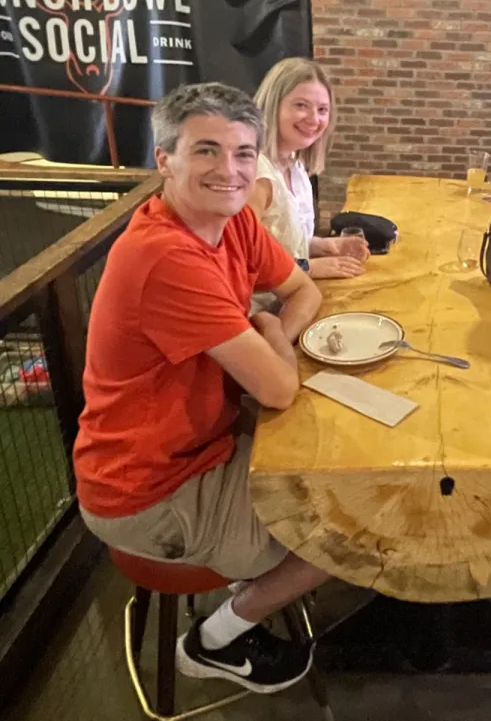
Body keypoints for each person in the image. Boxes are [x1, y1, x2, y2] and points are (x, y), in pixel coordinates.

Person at [73, 82, 331, 694]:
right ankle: (214, 640)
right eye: (207, 151)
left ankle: (246, 584)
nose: (230, 170)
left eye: (244, 153)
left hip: (201, 446)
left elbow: (305, 290)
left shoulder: (234, 220)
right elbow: (276, 390)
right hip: (148, 490)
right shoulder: (166, 256)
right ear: (164, 159)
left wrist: (270, 330)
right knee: (349, 532)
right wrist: (270, 333)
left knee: (341, 470)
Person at [250, 58, 369, 280]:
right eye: (301, 105)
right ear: (273, 105)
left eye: (322, 109)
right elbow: (244, 262)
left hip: (297, 296)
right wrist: (309, 268)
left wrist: (324, 245)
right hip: (262, 309)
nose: (314, 119)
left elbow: (283, 245)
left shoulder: (294, 162)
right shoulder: (254, 174)